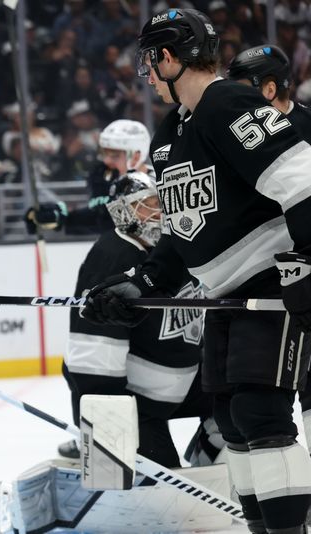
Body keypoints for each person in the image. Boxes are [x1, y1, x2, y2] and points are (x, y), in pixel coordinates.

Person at [81, 9, 311, 534]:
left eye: (149, 60)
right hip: (222, 292)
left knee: (260, 413)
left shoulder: (229, 102)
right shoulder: (171, 132)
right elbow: (183, 233)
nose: (147, 72)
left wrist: (308, 264)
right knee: (231, 419)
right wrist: (139, 282)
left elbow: (302, 179)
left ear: (166, 58)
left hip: (270, 280)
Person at [59, 171, 220, 467]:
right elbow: (93, 354)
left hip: (182, 390)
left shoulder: (175, 250)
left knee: (242, 400)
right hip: (135, 404)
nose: (159, 212)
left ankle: (213, 469)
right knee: (163, 491)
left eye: (161, 203)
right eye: (146, 204)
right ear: (122, 210)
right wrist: (107, 425)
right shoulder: (112, 255)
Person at [227, 43, 311, 467]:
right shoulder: (235, 133)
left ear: (270, 88)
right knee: (257, 408)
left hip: (305, 282)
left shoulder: (306, 130)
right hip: (269, 285)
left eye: (243, 89)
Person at [24, 119, 151, 236]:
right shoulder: (104, 174)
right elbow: (98, 217)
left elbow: (120, 224)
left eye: (115, 156)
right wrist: (61, 216)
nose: (107, 161)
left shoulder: (157, 185)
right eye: (104, 153)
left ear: (135, 157)